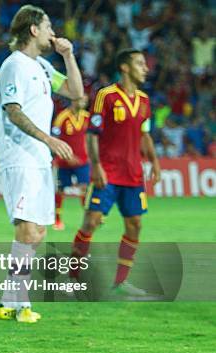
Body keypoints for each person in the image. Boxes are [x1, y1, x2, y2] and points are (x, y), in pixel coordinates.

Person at [0, 5, 83, 323]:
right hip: (20, 158)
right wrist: (49, 139)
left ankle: (8, 301)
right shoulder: (14, 65)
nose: (52, 32)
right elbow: (13, 110)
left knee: (38, 231)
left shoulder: (43, 65)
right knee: (28, 230)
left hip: (39, 160)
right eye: (47, 26)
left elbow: (76, 92)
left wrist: (68, 55)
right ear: (33, 29)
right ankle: (21, 306)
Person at [69, 49, 161, 297]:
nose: (146, 68)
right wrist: (96, 165)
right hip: (107, 172)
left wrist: (154, 160)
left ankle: (121, 283)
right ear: (125, 68)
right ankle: (73, 277)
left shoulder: (143, 100)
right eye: (140, 64)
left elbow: (145, 134)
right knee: (92, 221)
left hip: (133, 174)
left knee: (135, 225)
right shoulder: (105, 96)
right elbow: (91, 134)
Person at [52, 95, 90, 231]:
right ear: (74, 100)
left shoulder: (87, 117)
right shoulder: (62, 117)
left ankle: (89, 219)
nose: (84, 102)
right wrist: (66, 156)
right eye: (81, 99)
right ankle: (57, 220)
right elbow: (55, 139)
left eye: (85, 100)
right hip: (64, 162)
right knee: (60, 190)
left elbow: (91, 138)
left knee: (85, 189)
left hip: (82, 161)